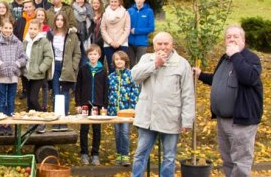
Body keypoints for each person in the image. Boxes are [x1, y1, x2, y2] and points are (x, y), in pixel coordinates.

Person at [193, 25, 263, 176]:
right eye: (228, 36)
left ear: (243, 40)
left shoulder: (251, 58)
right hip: (223, 120)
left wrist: (236, 55)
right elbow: (219, 80)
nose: (232, 39)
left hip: (241, 121)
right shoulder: (225, 59)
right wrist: (201, 75)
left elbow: (249, 78)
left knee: (241, 161)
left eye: (236, 36)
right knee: (228, 160)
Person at [131, 32, 195, 177]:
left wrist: (187, 120)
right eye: (159, 44)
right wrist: (155, 64)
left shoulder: (182, 63)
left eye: (166, 44)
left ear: (172, 45)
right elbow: (135, 76)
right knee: (140, 154)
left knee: (169, 157)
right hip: (148, 117)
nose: (163, 47)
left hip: (170, 117)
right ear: (154, 46)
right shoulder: (146, 59)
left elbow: (188, 94)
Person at [0, 20, 27, 136]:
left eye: (10, 28)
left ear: (12, 29)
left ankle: (9, 124)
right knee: (1, 101)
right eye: (6, 28)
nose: (8, 30)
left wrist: (17, 64)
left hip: (13, 76)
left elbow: (24, 58)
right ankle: (1, 124)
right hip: (1, 76)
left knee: (10, 101)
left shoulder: (18, 43)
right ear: (1, 29)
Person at [46, 14, 81, 132]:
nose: (60, 22)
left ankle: (64, 121)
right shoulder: (50, 34)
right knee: (56, 94)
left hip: (67, 66)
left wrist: (73, 66)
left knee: (65, 94)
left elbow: (77, 53)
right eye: (58, 19)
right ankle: (57, 122)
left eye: (62, 20)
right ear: (55, 21)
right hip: (54, 66)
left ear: (65, 21)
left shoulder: (72, 35)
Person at [75, 44, 108, 166]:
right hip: (85, 104)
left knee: (97, 130)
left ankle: (95, 154)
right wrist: (78, 103)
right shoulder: (83, 69)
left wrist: (105, 105)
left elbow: (106, 88)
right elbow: (78, 87)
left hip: (98, 105)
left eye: (95, 54)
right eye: (90, 54)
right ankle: (84, 153)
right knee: (84, 129)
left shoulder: (103, 70)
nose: (93, 56)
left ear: (99, 56)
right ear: (87, 56)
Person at [107, 51, 139, 166]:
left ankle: (125, 155)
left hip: (126, 111)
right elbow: (108, 93)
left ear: (126, 61)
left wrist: (132, 109)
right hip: (114, 110)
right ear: (113, 62)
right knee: (117, 132)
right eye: (116, 59)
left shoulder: (131, 75)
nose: (119, 61)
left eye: (121, 59)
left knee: (125, 132)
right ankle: (118, 155)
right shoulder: (111, 76)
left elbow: (135, 92)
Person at [22, 19, 54, 133]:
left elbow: (49, 57)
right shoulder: (25, 41)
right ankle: (32, 124)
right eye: (30, 28)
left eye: (35, 29)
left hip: (38, 75)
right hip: (26, 74)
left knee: (33, 98)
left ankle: (41, 120)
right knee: (29, 102)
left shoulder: (43, 41)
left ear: (39, 29)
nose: (32, 31)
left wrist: (41, 69)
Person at [101, 0, 130, 73]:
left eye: (115, 1)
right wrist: (110, 42)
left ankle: (123, 85)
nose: (113, 3)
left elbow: (127, 29)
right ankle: (112, 85)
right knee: (112, 68)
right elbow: (103, 29)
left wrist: (119, 42)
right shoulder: (105, 14)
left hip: (122, 44)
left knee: (123, 67)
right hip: (108, 44)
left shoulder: (125, 13)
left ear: (119, 2)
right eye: (111, 1)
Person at [127, 0, 155, 67]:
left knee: (140, 65)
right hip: (129, 42)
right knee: (131, 65)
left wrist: (136, 31)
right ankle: (132, 79)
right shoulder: (129, 11)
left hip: (142, 43)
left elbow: (151, 28)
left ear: (144, 0)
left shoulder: (149, 11)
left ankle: (140, 80)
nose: (139, 0)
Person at [90, 0, 105, 64]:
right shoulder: (89, 14)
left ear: (100, 4)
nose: (95, 5)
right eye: (94, 3)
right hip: (90, 41)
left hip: (101, 41)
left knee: (99, 61)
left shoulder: (104, 14)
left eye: (97, 3)